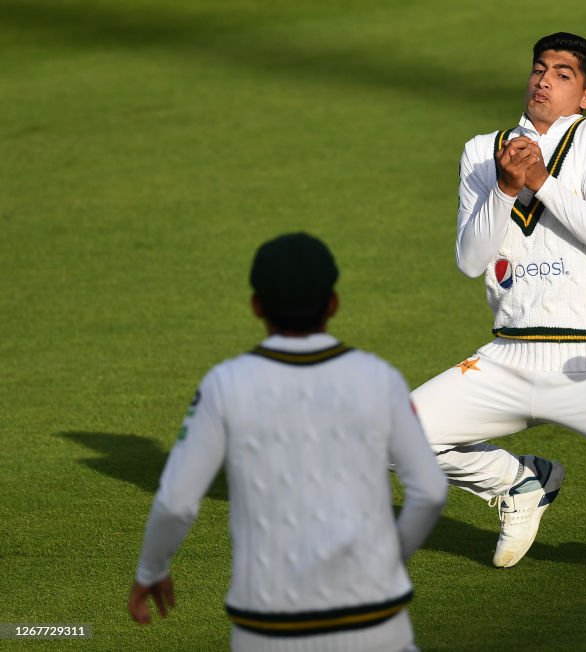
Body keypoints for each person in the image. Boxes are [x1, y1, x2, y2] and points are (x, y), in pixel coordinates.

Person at [411, 32, 586, 570]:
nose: (544, 80)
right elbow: (471, 260)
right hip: (510, 357)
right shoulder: (483, 150)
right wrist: (502, 186)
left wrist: (539, 179)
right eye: (539, 68)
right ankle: (521, 484)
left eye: (563, 74)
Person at [129, 233, 447, 651]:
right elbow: (430, 490)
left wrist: (151, 569)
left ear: (256, 306)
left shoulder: (225, 385)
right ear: (333, 303)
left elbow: (175, 503)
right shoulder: (378, 378)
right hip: (377, 624)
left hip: (267, 631)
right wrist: (389, 563)